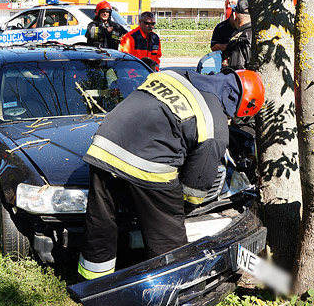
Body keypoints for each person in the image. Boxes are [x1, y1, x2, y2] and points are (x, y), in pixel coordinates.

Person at [78, 68, 265, 279]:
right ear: (239, 106)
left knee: (101, 221)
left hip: (104, 146)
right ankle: (172, 290)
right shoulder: (214, 125)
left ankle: (92, 281)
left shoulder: (174, 74)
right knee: (168, 241)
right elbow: (195, 186)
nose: (230, 120)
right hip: (148, 164)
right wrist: (177, 209)